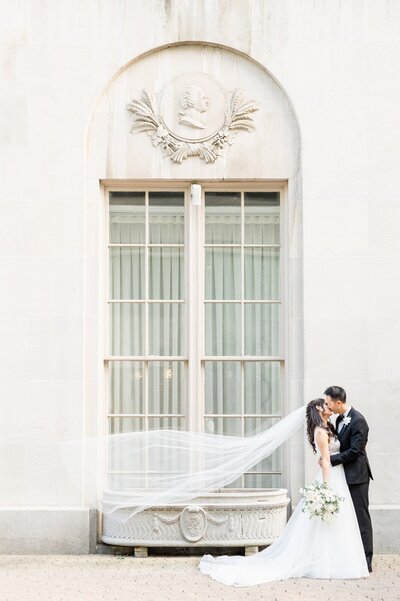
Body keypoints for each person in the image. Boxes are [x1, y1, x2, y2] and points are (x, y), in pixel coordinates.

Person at [199, 398, 369, 586]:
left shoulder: (330, 426)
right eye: (325, 405)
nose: (329, 407)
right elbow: (326, 461)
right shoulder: (320, 431)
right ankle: (327, 563)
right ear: (319, 410)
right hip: (331, 478)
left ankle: (334, 560)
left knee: (333, 522)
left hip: (339, 477)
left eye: (330, 404)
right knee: (326, 522)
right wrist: (327, 488)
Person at [324, 385, 373, 572]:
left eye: (329, 403)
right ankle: (352, 556)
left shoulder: (359, 421)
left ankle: (367, 560)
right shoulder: (338, 419)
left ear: (338, 402)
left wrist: (330, 459)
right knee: (348, 518)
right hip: (344, 475)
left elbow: (355, 451)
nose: (327, 406)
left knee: (361, 519)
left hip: (358, 477)